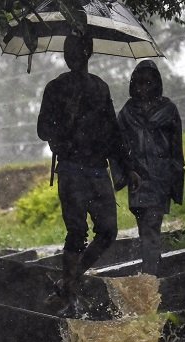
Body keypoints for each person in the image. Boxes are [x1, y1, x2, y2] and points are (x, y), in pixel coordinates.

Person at [37, 31, 139, 312]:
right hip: (71, 169)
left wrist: (127, 167)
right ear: (66, 55)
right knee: (76, 233)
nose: (75, 56)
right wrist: (65, 121)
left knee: (108, 231)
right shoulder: (55, 89)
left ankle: (67, 283)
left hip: (97, 170)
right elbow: (43, 130)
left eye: (80, 50)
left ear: (88, 53)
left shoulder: (99, 88)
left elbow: (113, 133)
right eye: (71, 50)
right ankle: (67, 291)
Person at [117, 60, 185, 276]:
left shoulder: (168, 109)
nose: (143, 88)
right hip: (137, 179)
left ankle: (150, 276)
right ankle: (153, 272)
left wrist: (176, 181)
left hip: (160, 178)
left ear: (156, 84)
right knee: (145, 230)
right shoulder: (127, 112)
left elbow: (177, 150)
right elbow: (117, 145)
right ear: (133, 85)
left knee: (152, 227)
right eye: (139, 83)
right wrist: (126, 173)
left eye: (148, 83)